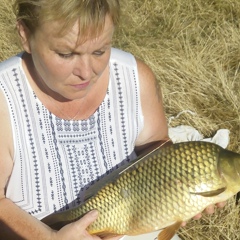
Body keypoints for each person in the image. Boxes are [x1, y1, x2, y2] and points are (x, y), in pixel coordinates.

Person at [0, 0, 225, 239]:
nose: (87, 72)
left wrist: (183, 188)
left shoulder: (134, 78)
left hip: (131, 223)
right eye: (66, 54)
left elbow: (157, 148)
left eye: (99, 51)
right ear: (25, 35)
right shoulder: (5, 97)